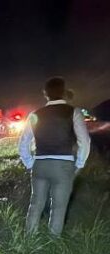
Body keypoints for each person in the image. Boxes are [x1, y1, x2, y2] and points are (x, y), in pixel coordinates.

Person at [18, 77, 91, 235]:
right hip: (63, 165)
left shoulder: (35, 114)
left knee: (35, 204)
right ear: (64, 92)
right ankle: (53, 242)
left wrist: (30, 163)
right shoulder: (73, 112)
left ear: (45, 93)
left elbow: (23, 142)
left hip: (40, 164)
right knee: (59, 207)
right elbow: (84, 141)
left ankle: (29, 240)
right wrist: (79, 163)